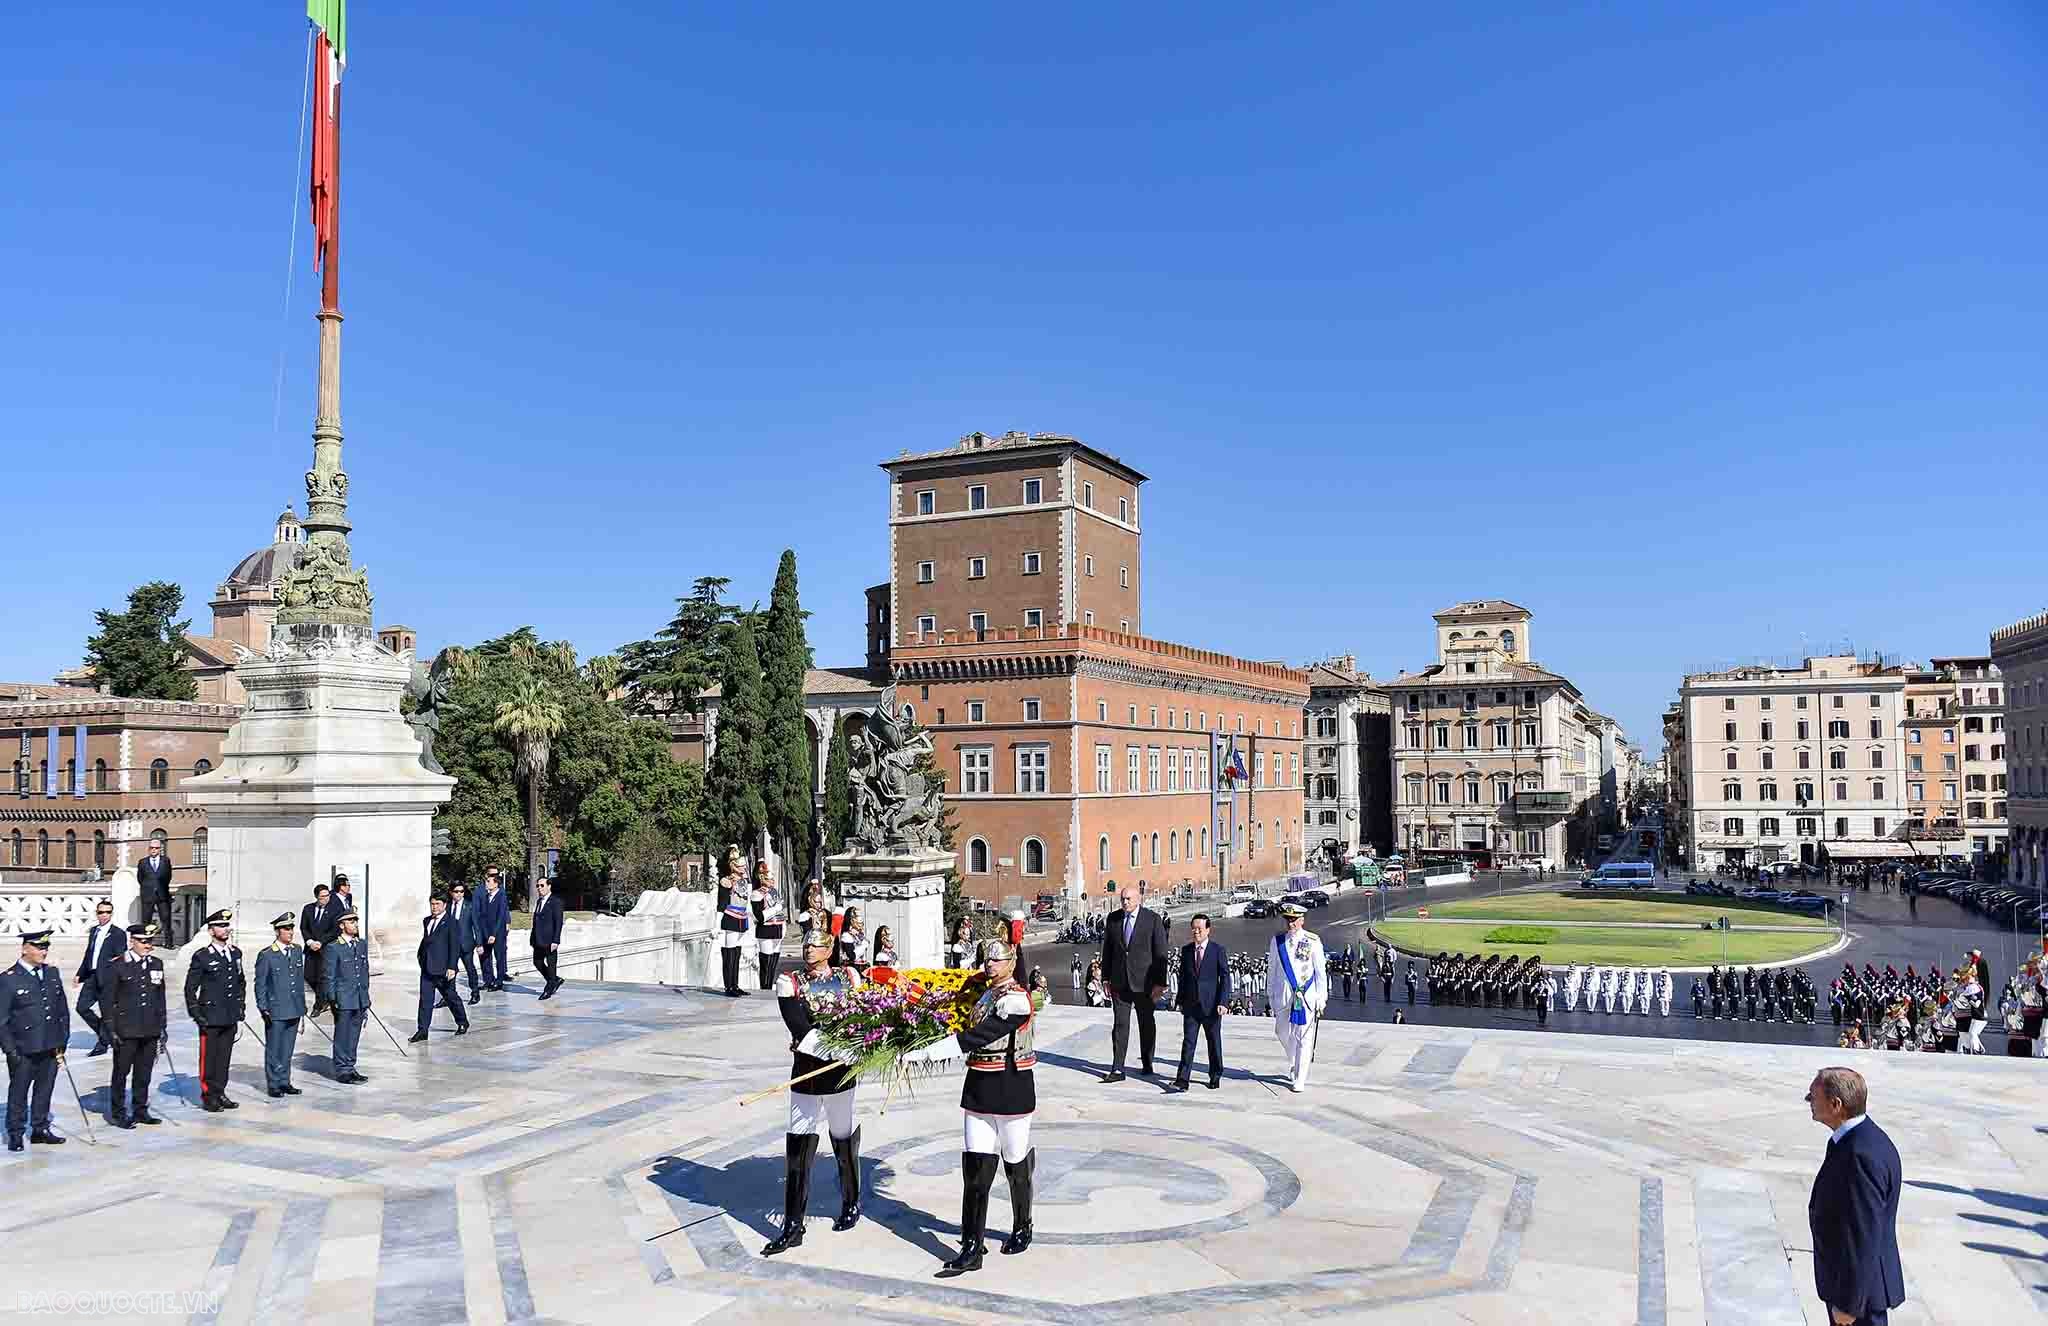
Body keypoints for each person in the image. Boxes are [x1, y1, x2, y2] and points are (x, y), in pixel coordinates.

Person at [904, 927, 1040, 1274]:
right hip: (979, 1085)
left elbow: (982, 1034)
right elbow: (950, 990)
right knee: (975, 1172)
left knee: (1014, 1162)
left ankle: (1022, 1223)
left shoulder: (1017, 1000)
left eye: (997, 959)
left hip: (1011, 1088)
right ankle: (971, 1246)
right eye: (987, 959)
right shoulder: (982, 992)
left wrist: (933, 1051)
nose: (989, 964)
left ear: (1012, 962)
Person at [763, 919, 864, 1256]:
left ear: (830, 949)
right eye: (806, 945)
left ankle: (851, 1200)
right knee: (798, 1145)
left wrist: (859, 1046)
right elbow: (799, 1026)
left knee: (843, 1136)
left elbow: (862, 1017)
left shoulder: (849, 978)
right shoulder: (790, 983)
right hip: (808, 1070)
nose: (809, 950)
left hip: (841, 1073)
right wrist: (835, 1049)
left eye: (816, 945)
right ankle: (793, 1223)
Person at [1806, 1066, 1905, 1326]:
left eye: (1812, 1097)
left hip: (1858, 1297)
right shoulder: (1857, 1140)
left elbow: (1864, 1234)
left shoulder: (1861, 1155)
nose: (1809, 1102)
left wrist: (1849, 1304)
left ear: (1836, 1104)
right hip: (1854, 1288)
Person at [1, 928, 70, 1149]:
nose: (44, 951)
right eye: (39, 947)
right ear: (24, 949)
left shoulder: (51, 974)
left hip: (49, 1046)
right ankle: (15, 1132)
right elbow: (1, 1020)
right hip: (23, 1048)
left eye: (46, 947)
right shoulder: (8, 979)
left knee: (44, 1089)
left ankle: (39, 1128)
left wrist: (62, 1041)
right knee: (19, 1092)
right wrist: (11, 1051)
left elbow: (62, 1011)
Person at [1099, 885, 1167, 1082]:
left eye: (1128, 899)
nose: (1125, 902)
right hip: (1120, 983)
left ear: (1138, 899)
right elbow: (1108, 950)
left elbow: (1160, 953)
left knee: (1146, 1024)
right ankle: (1118, 1068)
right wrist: (1105, 977)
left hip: (1145, 983)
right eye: (1122, 899)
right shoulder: (1113, 919)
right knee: (1120, 1025)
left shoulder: (1152, 919)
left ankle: (1147, 1063)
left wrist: (1160, 983)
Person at [102, 922, 166, 1127]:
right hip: (126, 1029)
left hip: (149, 1028)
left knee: (144, 1072)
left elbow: (160, 997)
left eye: (150, 941)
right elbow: (107, 1000)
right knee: (121, 1073)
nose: (147, 945)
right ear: (132, 941)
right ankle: (118, 1112)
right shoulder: (117, 964)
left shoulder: (156, 964)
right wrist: (111, 1028)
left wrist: (162, 1025)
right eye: (143, 941)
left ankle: (140, 1109)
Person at [184, 908, 246, 1113]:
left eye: (226, 925)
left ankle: (220, 1091)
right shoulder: (202, 956)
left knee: (224, 1057)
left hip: (229, 1014)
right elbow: (190, 987)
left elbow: (240, 981)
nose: (225, 929)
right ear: (211, 931)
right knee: (208, 1057)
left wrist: (240, 1005)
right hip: (209, 1016)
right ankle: (208, 1095)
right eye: (220, 925)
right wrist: (196, 1013)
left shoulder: (235, 953)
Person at [1266, 903, 1327, 1093]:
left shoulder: (1313, 940)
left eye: (1294, 920)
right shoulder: (1278, 941)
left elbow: (1320, 972)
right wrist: (1270, 994)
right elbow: (1272, 969)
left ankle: (1300, 1077)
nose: (1290, 923)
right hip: (1283, 995)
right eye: (1288, 919)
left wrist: (1321, 997)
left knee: (1304, 1037)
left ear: (1302, 920)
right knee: (1281, 1031)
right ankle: (1294, 1060)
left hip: (1306, 996)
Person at [252, 911, 307, 1097]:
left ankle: (285, 1081)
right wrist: (263, 1007)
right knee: (274, 1048)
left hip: (294, 1007)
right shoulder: (267, 955)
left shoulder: (297, 950)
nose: (290, 932)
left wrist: (302, 1007)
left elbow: (299, 981)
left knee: (288, 1048)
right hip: (275, 1009)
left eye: (291, 928)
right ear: (277, 931)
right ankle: (274, 1083)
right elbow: (260, 984)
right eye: (286, 929)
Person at [1172, 913, 1228, 1091]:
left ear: (1208, 930)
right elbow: (1183, 977)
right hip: (1190, 1005)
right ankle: (1182, 1078)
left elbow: (1225, 978)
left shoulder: (1217, 950)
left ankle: (1215, 1074)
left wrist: (1223, 1002)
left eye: (1200, 929)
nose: (1196, 932)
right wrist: (1179, 1000)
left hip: (1211, 1006)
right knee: (1188, 1042)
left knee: (1213, 1042)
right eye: (1193, 929)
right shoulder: (1186, 950)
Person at [410, 893, 470, 1042]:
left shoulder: (451, 922)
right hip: (427, 968)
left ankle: (462, 1021)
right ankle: (422, 1030)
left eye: (437, 904)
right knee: (425, 1000)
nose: (434, 907)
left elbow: (454, 946)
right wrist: (420, 956)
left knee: (451, 997)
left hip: (443, 969)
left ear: (444, 905)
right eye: (432, 904)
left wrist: (452, 967)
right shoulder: (427, 921)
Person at [322, 907, 372, 1084]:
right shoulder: (334, 948)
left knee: (354, 1034)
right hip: (343, 998)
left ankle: (351, 1066)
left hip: (359, 997)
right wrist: (333, 999)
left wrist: (366, 996)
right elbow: (329, 976)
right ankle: (342, 1069)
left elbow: (364, 972)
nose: (355, 924)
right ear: (342, 925)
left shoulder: (361, 944)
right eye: (351, 921)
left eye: (356, 921)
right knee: (343, 1034)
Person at [73, 898, 124, 1056]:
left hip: (108, 978)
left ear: (111, 914)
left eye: (107, 912)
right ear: (96, 913)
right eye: (101, 912)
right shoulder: (94, 931)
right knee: (81, 1007)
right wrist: (80, 974)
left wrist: (113, 970)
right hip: (92, 977)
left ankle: (102, 1043)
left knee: (106, 1012)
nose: (104, 915)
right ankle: (106, 1033)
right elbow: (89, 953)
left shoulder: (118, 933)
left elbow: (121, 956)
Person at [716, 846, 751, 996]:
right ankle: (728, 986)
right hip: (730, 916)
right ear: (732, 865)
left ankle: (735, 984)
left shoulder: (743, 881)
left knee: (737, 951)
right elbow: (721, 902)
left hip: (742, 917)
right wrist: (716, 923)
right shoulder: (726, 881)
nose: (743, 868)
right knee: (729, 951)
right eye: (740, 865)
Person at [751, 860, 788, 990]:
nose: (772, 881)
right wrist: (776, 909)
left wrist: (783, 927)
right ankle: (764, 987)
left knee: (774, 961)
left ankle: (769, 985)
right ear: (762, 879)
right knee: (766, 962)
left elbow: (781, 913)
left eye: (772, 879)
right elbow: (760, 917)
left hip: (777, 928)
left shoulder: (774, 892)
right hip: (765, 930)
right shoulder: (757, 894)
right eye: (769, 879)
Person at [301, 883, 336, 1015]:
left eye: (328, 895)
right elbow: (304, 927)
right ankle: (324, 998)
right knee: (309, 976)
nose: (326, 898)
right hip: (311, 948)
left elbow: (334, 930)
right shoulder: (308, 909)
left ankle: (318, 1004)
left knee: (321, 977)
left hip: (325, 949)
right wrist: (309, 941)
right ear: (316, 897)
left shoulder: (334, 910)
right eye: (323, 896)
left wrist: (321, 942)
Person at [447, 882, 483, 1005]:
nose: (459, 894)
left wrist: (479, 944)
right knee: (450, 970)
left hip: (466, 944)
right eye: (456, 891)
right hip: (450, 945)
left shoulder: (470, 906)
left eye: (461, 891)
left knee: (470, 969)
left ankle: (475, 993)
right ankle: (448, 996)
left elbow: (476, 926)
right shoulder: (447, 906)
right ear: (451, 892)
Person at [476, 868, 512, 991]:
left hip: (497, 933)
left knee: (499, 956)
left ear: (496, 883)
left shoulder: (501, 895)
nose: (486, 883)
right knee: (485, 957)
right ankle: (488, 980)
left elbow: (501, 916)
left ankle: (499, 981)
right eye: (486, 881)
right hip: (486, 932)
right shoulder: (487, 896)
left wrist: (494, 934)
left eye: (489, 881)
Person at [136, 837, 176, 947]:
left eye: (156, 848)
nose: (154, 850)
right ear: (149, 849)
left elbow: (168, 877)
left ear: (160, 849)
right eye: (152, 848)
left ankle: (169, 943)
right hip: (148, 895)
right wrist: (149, 887)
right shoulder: (143, 862)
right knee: (146, 920)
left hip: (162, 895)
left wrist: (160, 887)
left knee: (166, 919)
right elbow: (140, 878)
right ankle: (146, 942)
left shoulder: (166, 861)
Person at [530, 877, 564, 999]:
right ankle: (555, 980)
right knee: (537, 962)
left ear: (549, 886)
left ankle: (549, 988)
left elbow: (558, 922)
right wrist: (532, 938)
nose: (539, 888)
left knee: (551, 965)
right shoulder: (539, 901)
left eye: (542, 885)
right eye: (538, 886)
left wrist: (556, 940)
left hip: (550, 940)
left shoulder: (556, 901)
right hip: (538, 939)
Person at [836, 906, 869, 973]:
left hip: (860, 967)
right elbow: (852, 956)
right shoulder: (846, 936)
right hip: (850, 969)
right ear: (852, 921)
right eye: (859, 923)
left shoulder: (859, 935)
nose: (861, 925)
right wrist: (863, 945)